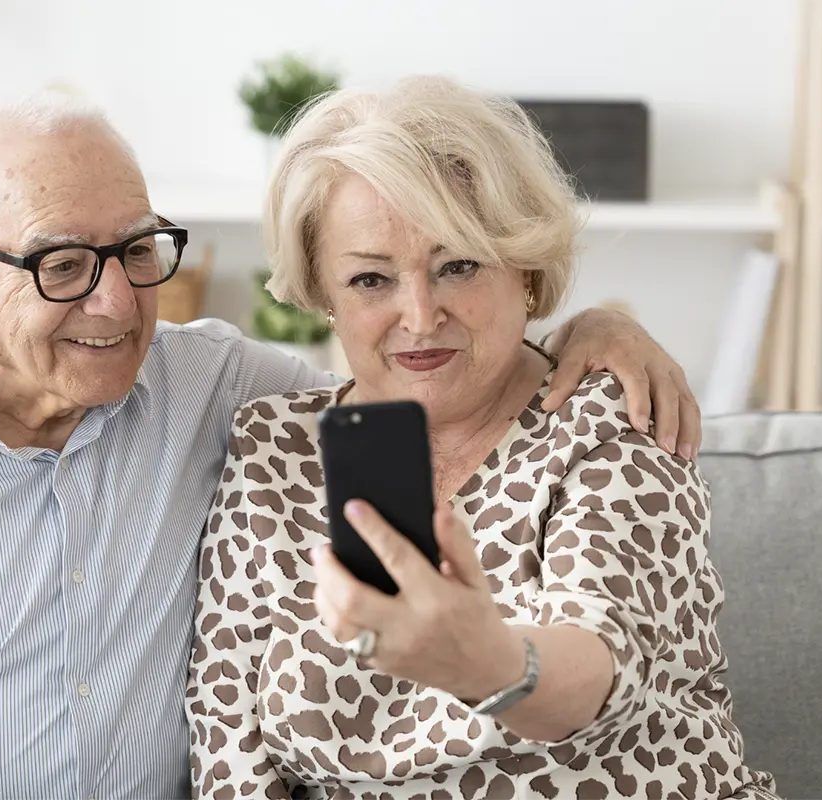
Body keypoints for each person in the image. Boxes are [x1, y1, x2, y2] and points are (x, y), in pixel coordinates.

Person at [0, 90, 701, 800]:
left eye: (136, 249)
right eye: (62, 265)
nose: (119, 305)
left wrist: (593, 327)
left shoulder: (218, 390)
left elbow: (422, 361)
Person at [187, 76, 778, 799]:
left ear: (524, 267)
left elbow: (601, 673)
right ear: (323, 293)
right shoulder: (272, 448)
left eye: (458, 266)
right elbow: (229, 747)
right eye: (370, 279)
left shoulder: (611, 422)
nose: (419, 315)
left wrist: (487, 663)